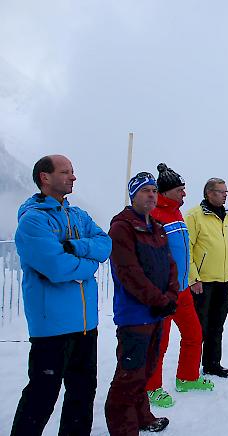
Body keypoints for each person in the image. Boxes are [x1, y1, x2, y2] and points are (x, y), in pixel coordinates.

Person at [11, 155, 111, 436]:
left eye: (73, 171)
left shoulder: (79, 215)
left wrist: (74, 247)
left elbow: (105, 245)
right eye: (65, 172)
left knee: (82, 395)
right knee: (41, 397)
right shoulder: (33, 221)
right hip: (51, 327)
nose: (73, 177)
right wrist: (88, 265)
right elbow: (55, 267)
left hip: (85, 325)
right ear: (45, 177)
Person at [105, 172, 179, 434]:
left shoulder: (157, 228)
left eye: (154, 190)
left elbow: (170, 265)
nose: (151, 195)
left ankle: (142, 416)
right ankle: (123, 428)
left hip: (157, 312)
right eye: (145, 190)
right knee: (129, 374)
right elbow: (129, 272)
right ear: (133, 195)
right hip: (135, 315)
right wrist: (159, 300)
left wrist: (171, 295)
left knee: (146, 369)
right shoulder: (122, 227)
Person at [145, 164, 213, 409]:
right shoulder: (154, 216)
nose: (185, 194)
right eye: (181, 190)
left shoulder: (176, 213)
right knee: (159, 343)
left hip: (182, 290)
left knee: (194, 334)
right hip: (164, 293)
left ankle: (187, 377)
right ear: (168, 191)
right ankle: (151, 388)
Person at [186, 177, 228, 378]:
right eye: (221, 191)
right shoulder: (194, 216)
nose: (225, 194)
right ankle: (190, 368)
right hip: (203, 282)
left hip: (225, 280)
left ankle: (212, 364)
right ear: (209, 193)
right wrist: (194, 278)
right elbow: (187, 249)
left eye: (226, 191)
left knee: (217, 325)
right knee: (199, 327)